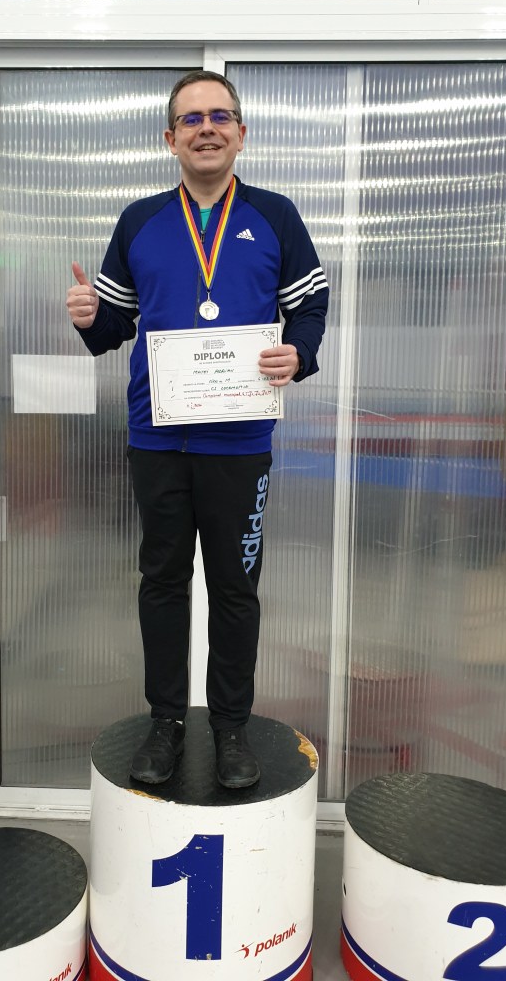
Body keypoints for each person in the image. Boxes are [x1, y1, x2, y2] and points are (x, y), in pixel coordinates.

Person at [67, 70, 328, 788]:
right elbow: (114, 326)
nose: (205, 128)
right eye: (191, 119)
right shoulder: (140, 221)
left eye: (219, 116)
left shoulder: (275, 216)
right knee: (162, 581)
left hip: (239, 441)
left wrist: (299, 352)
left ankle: (231, 729)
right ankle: (165, 723)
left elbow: (309, 306)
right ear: (170, 138)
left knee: (236, 588)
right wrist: (91, 319)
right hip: (157, 438)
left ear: (241, 132)